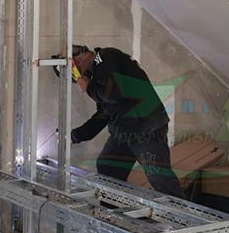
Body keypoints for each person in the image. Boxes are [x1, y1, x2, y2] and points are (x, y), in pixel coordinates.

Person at [64, 45, 185, 198]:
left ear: (77, 61)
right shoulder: (98, 75)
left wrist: (89, 88)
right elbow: (104, 115)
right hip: (124, 131)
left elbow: (114, 94)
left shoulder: (105, 57)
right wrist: (75, 136)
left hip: (145, 128)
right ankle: (113, 208)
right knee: (107, 166)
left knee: (160, 178)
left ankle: (181, 212)